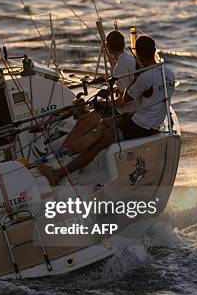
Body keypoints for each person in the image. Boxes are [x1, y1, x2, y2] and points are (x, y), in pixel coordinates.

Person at [39, 36, 175, 185]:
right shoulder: (169, 74)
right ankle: (66, 155)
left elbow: (124, 100)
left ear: (139, 55)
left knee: (97, 145)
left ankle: (58, 173)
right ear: (154, 51)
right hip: (149, 122)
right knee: (105, 123)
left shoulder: (145, 77)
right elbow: (152, 95)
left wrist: (104, 104)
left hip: (139, 126)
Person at [55, 30, 138, 155]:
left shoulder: (120, 66)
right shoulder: (130, 59)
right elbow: (129, 88)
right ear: (123, 44)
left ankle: (62, 151)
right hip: (130, 107)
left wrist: (105, 104)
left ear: (108, 47)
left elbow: (125, 100)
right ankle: (67, 148)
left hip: (127, 111)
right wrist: (113, 90)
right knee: (87, 117)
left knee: (85, 122)